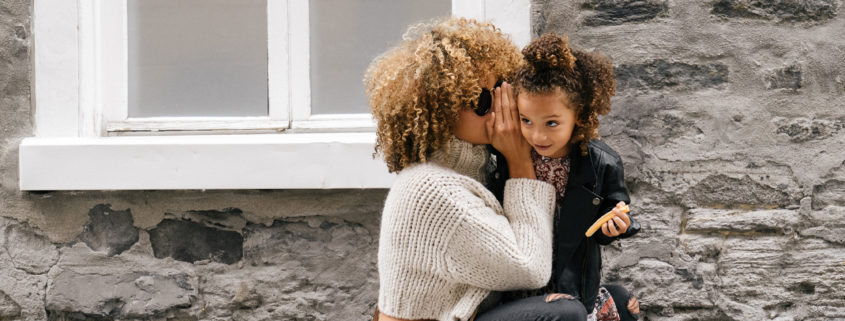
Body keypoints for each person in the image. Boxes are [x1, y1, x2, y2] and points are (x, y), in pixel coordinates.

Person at [365, 18, 558, 321]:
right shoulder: (431, 188)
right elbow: (530, 267)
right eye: (482, 100)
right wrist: (520, 161)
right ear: (441, 108)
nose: (498, 108)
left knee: (615, 303)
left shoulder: (476, 172)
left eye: (500, 92)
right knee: (563, 314)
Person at [477, 34, 642, 321]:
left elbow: (612, 213)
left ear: (579, 115)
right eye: (526, 120)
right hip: (521, 283)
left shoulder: (602, 162)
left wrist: (616, 226)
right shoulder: (508, 155)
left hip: (573, 283)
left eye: (551, 123)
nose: (537, 135)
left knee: (624, 305)